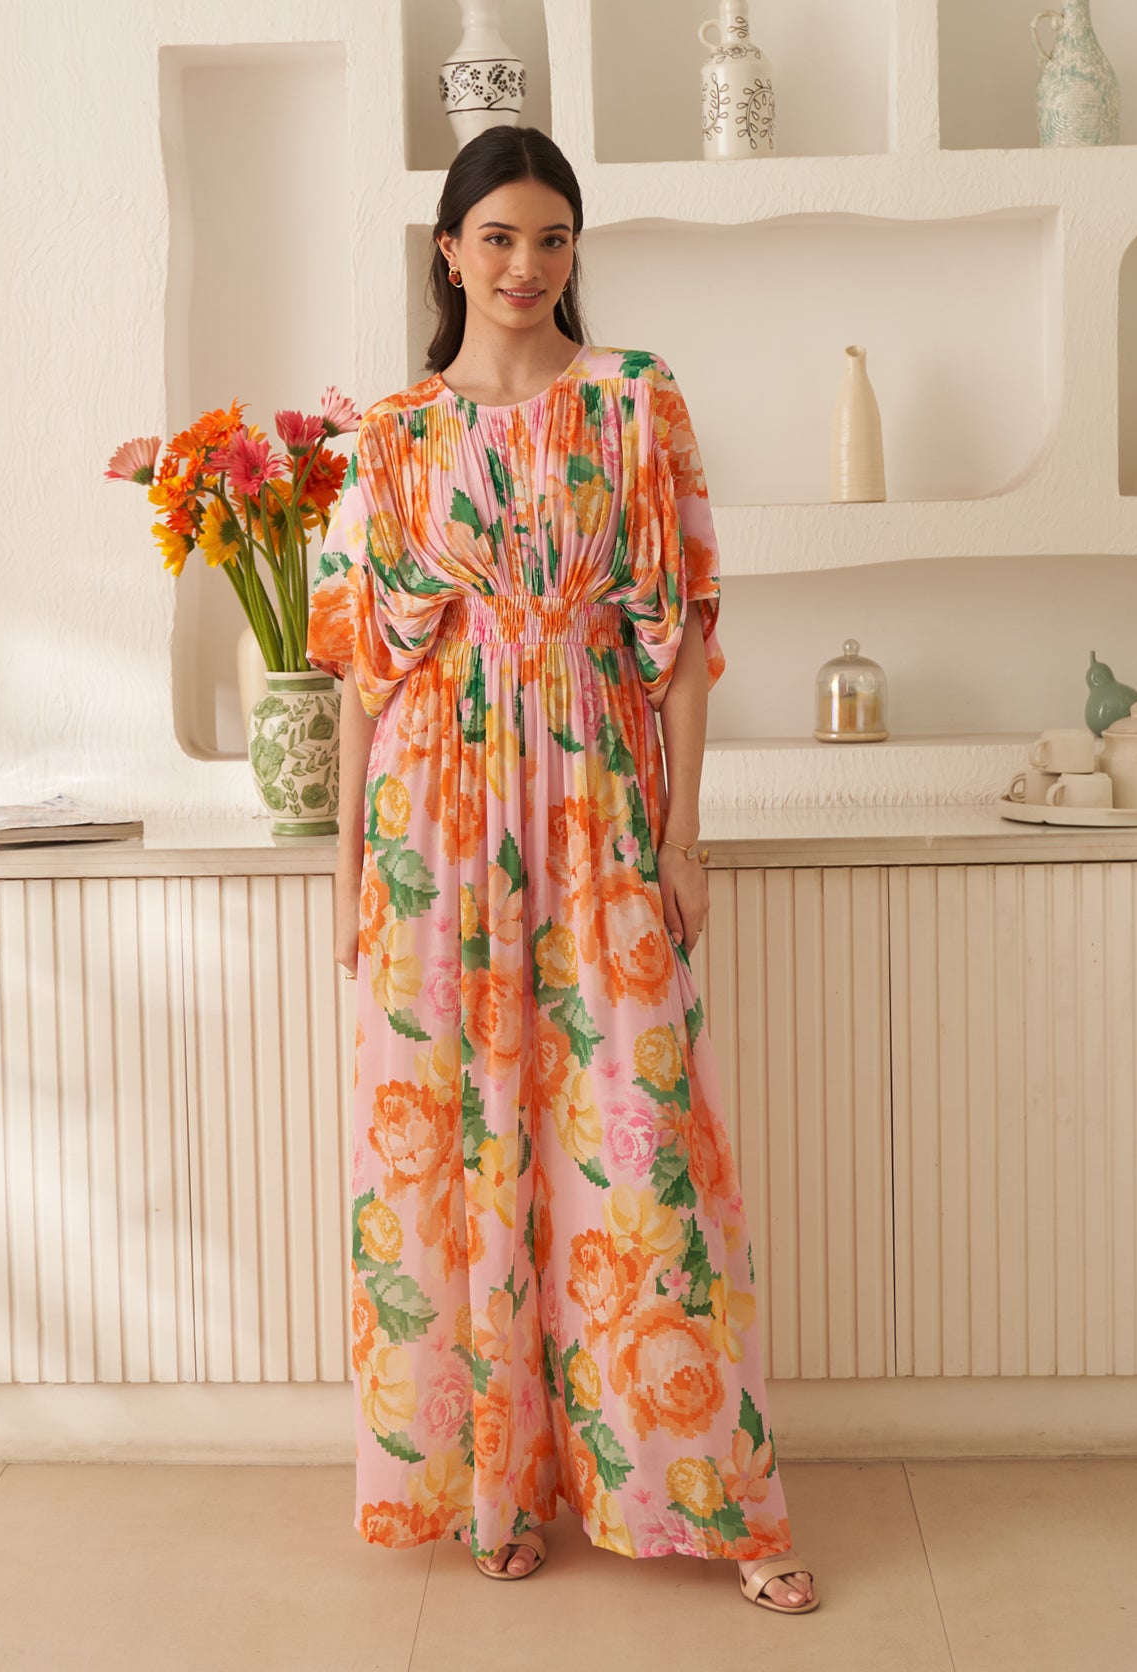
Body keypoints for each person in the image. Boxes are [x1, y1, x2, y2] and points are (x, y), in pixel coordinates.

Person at [304, 124, 818, 1615]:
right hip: (433, 820)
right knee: (455, 1141)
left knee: (637, 1142)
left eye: (551, 239)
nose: (526, 265)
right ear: (449, 253)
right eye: (499, 238)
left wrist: (681, 837)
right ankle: (498, 1484)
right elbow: (360, 679)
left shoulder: (635, 402)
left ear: (573, 252)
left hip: (596, 802)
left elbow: (684, 638)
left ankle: (718, 1499)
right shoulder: (393, 436)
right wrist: (345, 873)